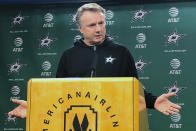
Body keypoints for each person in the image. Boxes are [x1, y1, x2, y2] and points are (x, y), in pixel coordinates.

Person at [8, 3, 181, 118]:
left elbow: (134, 90)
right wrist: (35, 107)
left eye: (101, 23)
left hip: (114, 121)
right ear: (80, 28)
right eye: (92, 25)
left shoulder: (121, 52)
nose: (98, 29)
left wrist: (153, 101)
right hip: (78, 121)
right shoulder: (68, 56)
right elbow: (58, 94)